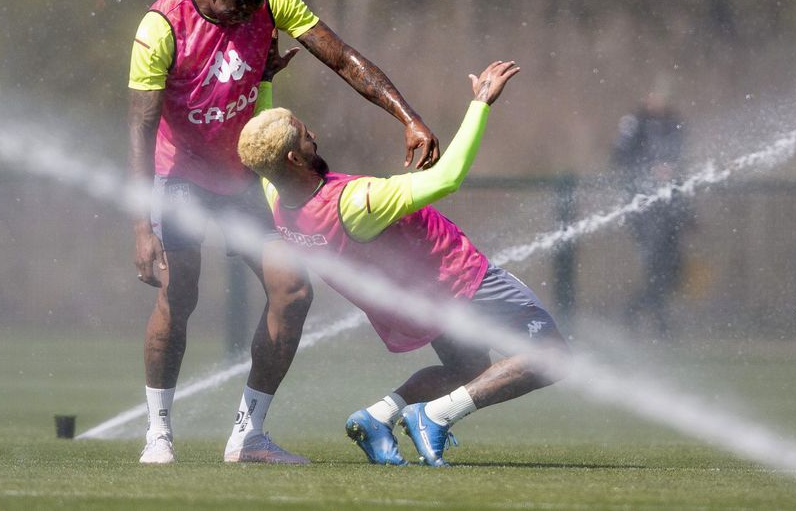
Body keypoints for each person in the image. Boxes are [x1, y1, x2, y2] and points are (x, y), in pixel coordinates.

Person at [128, 0, 440, 465]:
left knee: (293, 291)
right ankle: (158, 433)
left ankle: (248, 436)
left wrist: (407, 116)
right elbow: (140, 129)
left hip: (245, 179)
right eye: (237, 12)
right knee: (179, 297)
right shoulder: (162, 27)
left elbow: (341, 57)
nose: (249, 22)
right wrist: (141, 225)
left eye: (256, 13)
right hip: (177, 178)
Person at [237, 60, 568, 467]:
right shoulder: (356, 202)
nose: (315, 137)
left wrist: (265, 81)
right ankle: (435, 416)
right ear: (293, 159)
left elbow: (260, 145)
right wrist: (480, 104)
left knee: (467, 367)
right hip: (458, 281)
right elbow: (448, 178)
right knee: (550, 356)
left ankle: (378, 418)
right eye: (306, 137)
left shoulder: (277, 199)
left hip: (418, 302)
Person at [612, 75, 694, 337]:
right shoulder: (635, 123)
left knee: (670, 270)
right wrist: (649, 169)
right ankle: (657, 323)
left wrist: (689, 214)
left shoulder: (674, 124)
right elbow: (619, 157)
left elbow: (680, 161)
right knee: (655, 266)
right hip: (644, 207)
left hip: (670, 208)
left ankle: (636, 313)